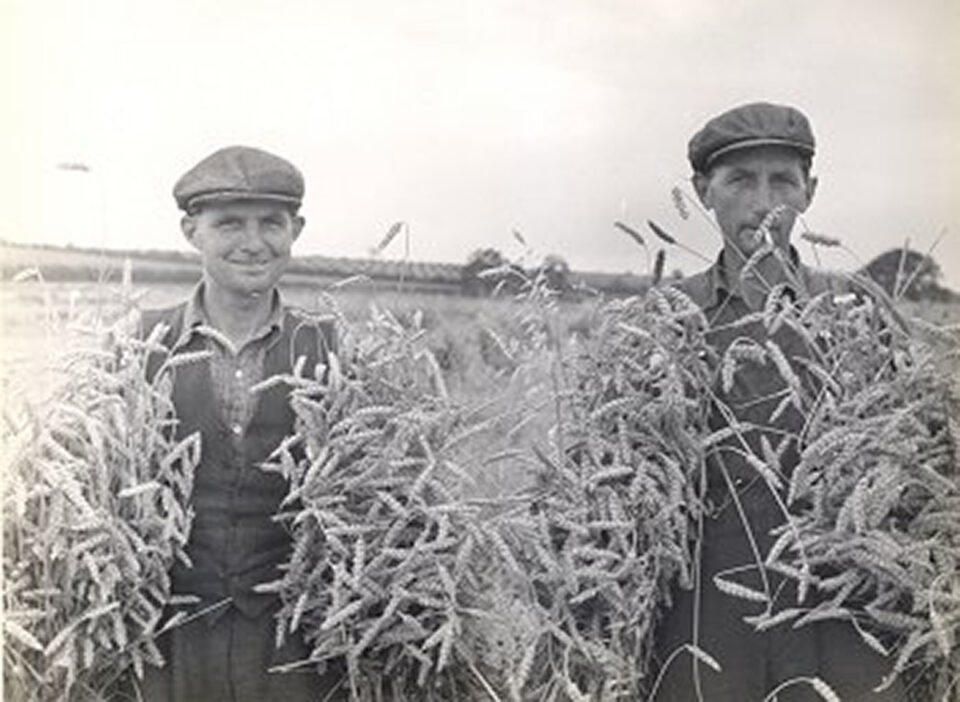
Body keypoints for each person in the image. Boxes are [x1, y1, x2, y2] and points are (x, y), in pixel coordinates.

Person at [653, 103, 907, 701]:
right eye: (740, 180)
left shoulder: (857, 311)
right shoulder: (664, 319)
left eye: (782, 181)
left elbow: (907, 459)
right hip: (707, 608)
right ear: (703, 191)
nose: (763, 201)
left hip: (842, 599)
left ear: (809, 192)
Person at [130, 146, 343, 701]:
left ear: (295, 228)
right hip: (165, 645)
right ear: (190, 230)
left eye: (271, 223)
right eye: (229, 223)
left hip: (296, 648)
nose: (253, 242)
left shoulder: (333, 349)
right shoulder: (136, 346)